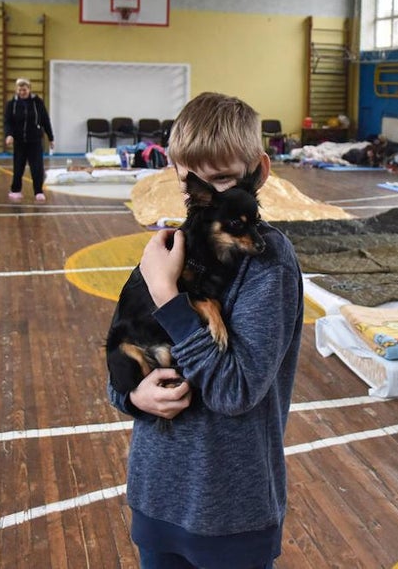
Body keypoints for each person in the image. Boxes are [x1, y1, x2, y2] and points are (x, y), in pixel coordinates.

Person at [107, 92, 304, 569]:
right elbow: (123, 353)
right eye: (192, 185)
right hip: (157, 496)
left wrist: (168, 296)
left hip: (230, 513)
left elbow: (234, 391)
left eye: (222, 180)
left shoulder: (267, 266)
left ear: (258, 171)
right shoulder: (172, 249)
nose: (207, 199)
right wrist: (133, 399)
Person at [3, 77, 54, 202]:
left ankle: (38, 191)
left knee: (37, 168)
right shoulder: (11, 104)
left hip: (35, 141)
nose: (22, 92)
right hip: (19, 142)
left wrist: (51, 137)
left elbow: (45, 120)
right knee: (18, 167)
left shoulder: (38, 102)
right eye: (20, 90)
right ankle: (15, 190)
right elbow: (7, 122)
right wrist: (9, 135)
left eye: (24, 90)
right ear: (16, 90)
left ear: (29, 89)